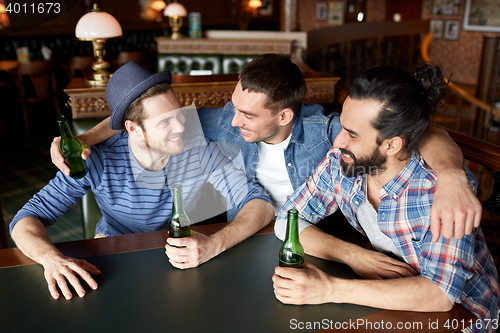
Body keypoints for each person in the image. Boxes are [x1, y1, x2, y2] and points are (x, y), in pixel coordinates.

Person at [51, 54, 481, 279]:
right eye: (234, 109)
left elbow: (422, 133)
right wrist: (86, 137)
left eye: (246, 116)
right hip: (258, 236)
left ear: (284, 116)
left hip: (318, 240)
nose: (231, 122)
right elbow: (143, 115)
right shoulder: (228, 121)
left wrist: (450, 175)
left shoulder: (331, 135)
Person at [10, 61, 274, 300]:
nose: (181, 127)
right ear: (133, 129)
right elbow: (27, 218)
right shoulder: (96, 159)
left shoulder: (196, 147)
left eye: (179, 113)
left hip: (176, 259)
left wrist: (215, 243)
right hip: (113, 259)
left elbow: (259, 204)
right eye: (165, 122)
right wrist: (50, 258)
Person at [272, 65, 499, 332]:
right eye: (343, 127)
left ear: (392, 144)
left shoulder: (437, 191)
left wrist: (328, 289)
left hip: (464, 319)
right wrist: (352, 255)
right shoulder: (343, 162)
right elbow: (288, 219)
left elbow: (440, 294)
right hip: (394, 305)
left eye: (352, 135)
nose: (337, 142)